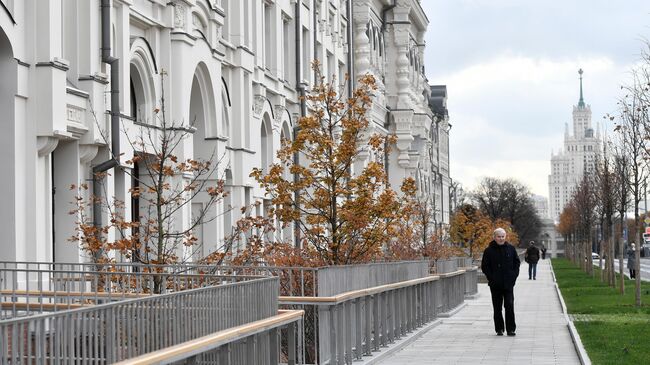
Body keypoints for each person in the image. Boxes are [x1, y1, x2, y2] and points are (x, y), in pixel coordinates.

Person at [481, 227, 521, 336]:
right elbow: (485, 266)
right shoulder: (488, 251)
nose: (501, 238)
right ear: (494, 237)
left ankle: (511, 329)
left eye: (503, 236)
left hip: (508, 283)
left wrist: (514, 276)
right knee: (497, 307)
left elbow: (516, 263)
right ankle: (499, 329)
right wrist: (492, 278)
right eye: (499, 236)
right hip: (495, 285)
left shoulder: (511, 249)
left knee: (509, 305)